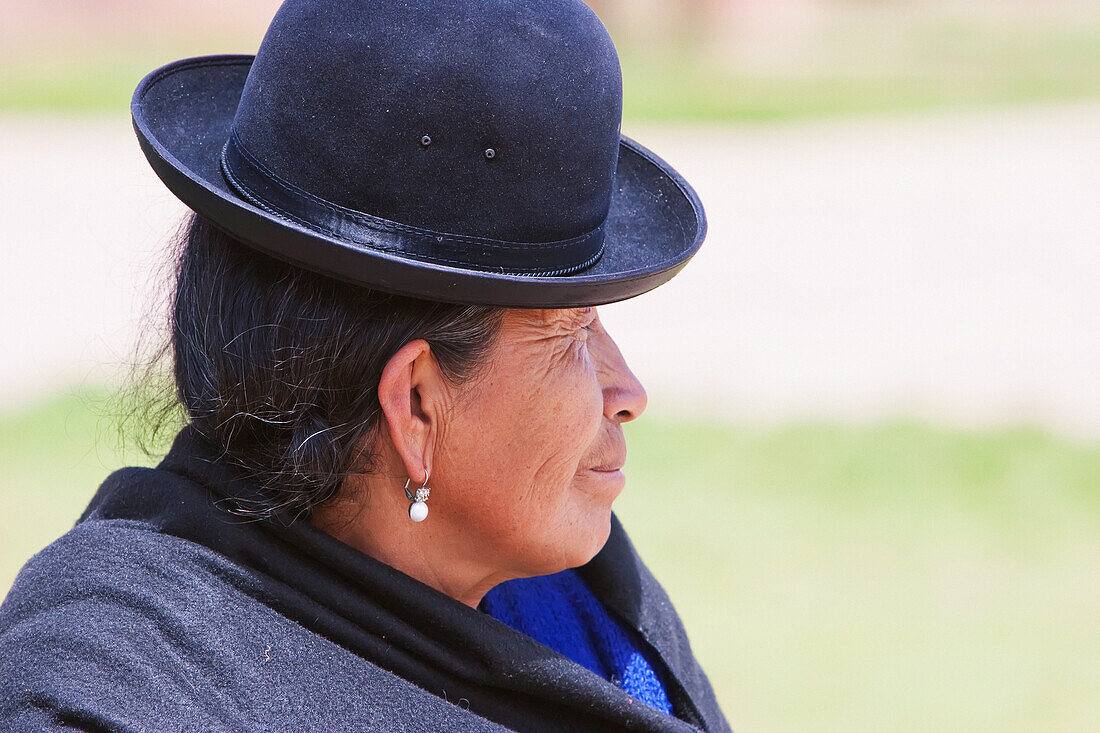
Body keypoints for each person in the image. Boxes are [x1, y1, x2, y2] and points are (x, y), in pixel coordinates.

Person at [0, 1, 729, 730]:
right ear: (414, 404)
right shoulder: (120, 693)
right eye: (571, 334)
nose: (627, 391)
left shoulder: (583, 604)